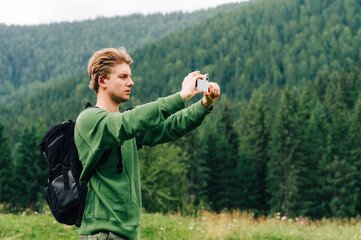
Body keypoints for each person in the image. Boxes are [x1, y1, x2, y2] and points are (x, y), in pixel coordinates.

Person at [74, 47, 220, 240]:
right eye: (123, 76)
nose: (131, 82)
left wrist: (205, 105)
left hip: (127, 235)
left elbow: (172, 127)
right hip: (102, 234)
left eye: (130, 76)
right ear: (102, 81)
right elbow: (126, 123)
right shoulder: (90, 120)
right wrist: (181, 96)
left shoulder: (127, 125)